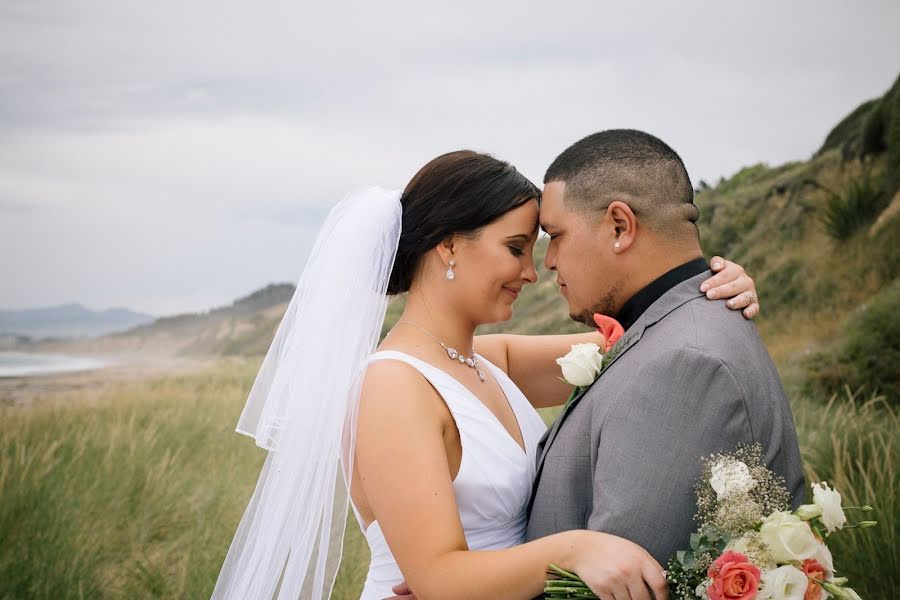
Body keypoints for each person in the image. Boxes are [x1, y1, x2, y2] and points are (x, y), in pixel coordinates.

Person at [212, 150, 761, 600]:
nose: (531, 272)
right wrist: (575, 550)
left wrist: (711, 286)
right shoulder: (392, 388)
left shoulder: (486, 361)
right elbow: (437, 578)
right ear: (449, 244)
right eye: (516, 248)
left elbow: (643, 340)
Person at [526, 129, 805, 569]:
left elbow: (613, 587)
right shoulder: (667, 332)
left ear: (620, 226)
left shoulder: (686, 362)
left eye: (555, 235)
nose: (549, 261)